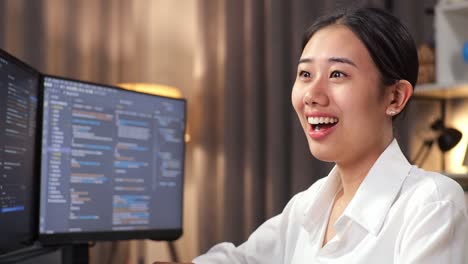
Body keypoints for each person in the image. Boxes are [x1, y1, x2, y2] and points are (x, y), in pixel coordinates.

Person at [193, 7, 468, 263]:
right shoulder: (306, 205)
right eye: (305, 74)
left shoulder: (433, 205)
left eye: (337, 74)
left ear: (395, 97)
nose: (312, 94)